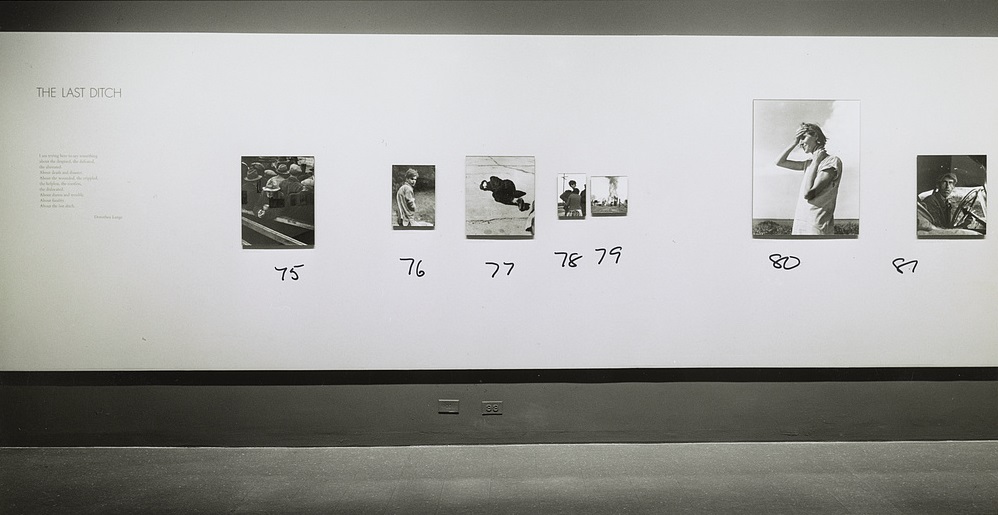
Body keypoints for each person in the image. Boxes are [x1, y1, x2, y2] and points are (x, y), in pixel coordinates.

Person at [776, 122, 843, 235]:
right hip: (801, 222)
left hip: (816, 226)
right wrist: (794, 142)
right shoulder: (809, 164)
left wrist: (816, 162)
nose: (800, 143)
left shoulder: (832, 161)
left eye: (803, 137)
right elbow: (779, 162)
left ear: (816, 136)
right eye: (799, 139)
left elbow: (808, 193)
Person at [917, 172, 986, 235]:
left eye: (950, 183)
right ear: (938, 185)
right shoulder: (931, 201)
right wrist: (962, 227)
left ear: (953, 187)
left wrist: (965, 224)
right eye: (944, 182)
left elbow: (948, 227)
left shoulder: (947, 203)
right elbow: (940, 229)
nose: (948, 186)